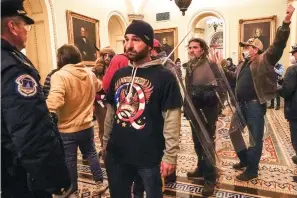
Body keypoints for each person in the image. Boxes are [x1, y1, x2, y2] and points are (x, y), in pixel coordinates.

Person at [103, 20, 182, 198]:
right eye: (126, 39)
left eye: (136, 40)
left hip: (149, 156)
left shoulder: (164, 77)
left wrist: (170, 156)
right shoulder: (119, 74)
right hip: (118, 153)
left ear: (148, 44)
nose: (128, 45)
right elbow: (110, 111)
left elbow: (172, 118)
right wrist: (105, 141)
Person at [1, 0, 72, 197]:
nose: (27, 31)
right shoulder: (14, 68)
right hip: (18, 172)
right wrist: (51, 178)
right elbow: (30, 131)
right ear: (13, 27)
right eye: (25, 25)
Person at [225, 5, 294, 181]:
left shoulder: (265, 59)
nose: (245, 49)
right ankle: (245, 159)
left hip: (255, 105)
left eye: (248, 47)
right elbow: (235, 77)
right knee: (233, 131)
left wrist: (285, 22)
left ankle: (252, 169)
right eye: (244, 47)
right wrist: (222, 68)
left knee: (255, 139)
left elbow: (278, 44)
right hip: (241, 105)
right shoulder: (243, 64)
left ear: (256, 49)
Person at [46, 44, 108, 197]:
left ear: (61, 58)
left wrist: (44, 111)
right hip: (87, 125)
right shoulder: (89, 73)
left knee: (70, 159)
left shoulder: (59, 76)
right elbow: (100, 86)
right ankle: (100, 182)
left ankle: (72, 190)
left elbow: (55, 101)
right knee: (91, 153)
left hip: (67, 128)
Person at [184, 38, 223, 196]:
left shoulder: (211, 65)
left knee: (207, 145)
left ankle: (210, 178)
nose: (191, 50)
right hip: (194, 112)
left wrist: (201, 94)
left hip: (207, 112)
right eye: (190, 47)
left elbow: (220, 90)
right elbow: (187, 89)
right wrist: (186, 107)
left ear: (203, 49)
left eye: (195, 47)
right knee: (197, 143)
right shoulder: (190, 66)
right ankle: (201, 168)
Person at [278, 44, 297, 179]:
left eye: (294, 53)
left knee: (296, 139)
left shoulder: (292, 70)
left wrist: (278, 88)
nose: (293, 56)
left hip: (295, 111)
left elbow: (286, 91)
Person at [93, 47, 115, 149]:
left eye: (109, 56)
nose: (107, 58)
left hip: (112, 101)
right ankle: (104, 148)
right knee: (102, 127)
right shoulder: (96, 71)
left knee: (113, 126)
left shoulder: (115, 68)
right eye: (105, 55)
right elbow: (92, 87)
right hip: (99, 102)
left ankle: (113, 148)